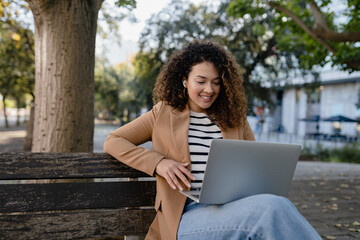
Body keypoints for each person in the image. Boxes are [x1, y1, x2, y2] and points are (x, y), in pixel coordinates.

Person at [103, 41, 321, 240]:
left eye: (216, 82)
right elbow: (114, 140)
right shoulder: (163, 114)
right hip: (184, 218)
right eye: (201, 81)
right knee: (271, 210)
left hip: (232, 210)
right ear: (184, 81)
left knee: (276, 207)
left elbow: (254, 170)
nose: (209, 90)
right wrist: (158, 162)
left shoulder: (235, 119)